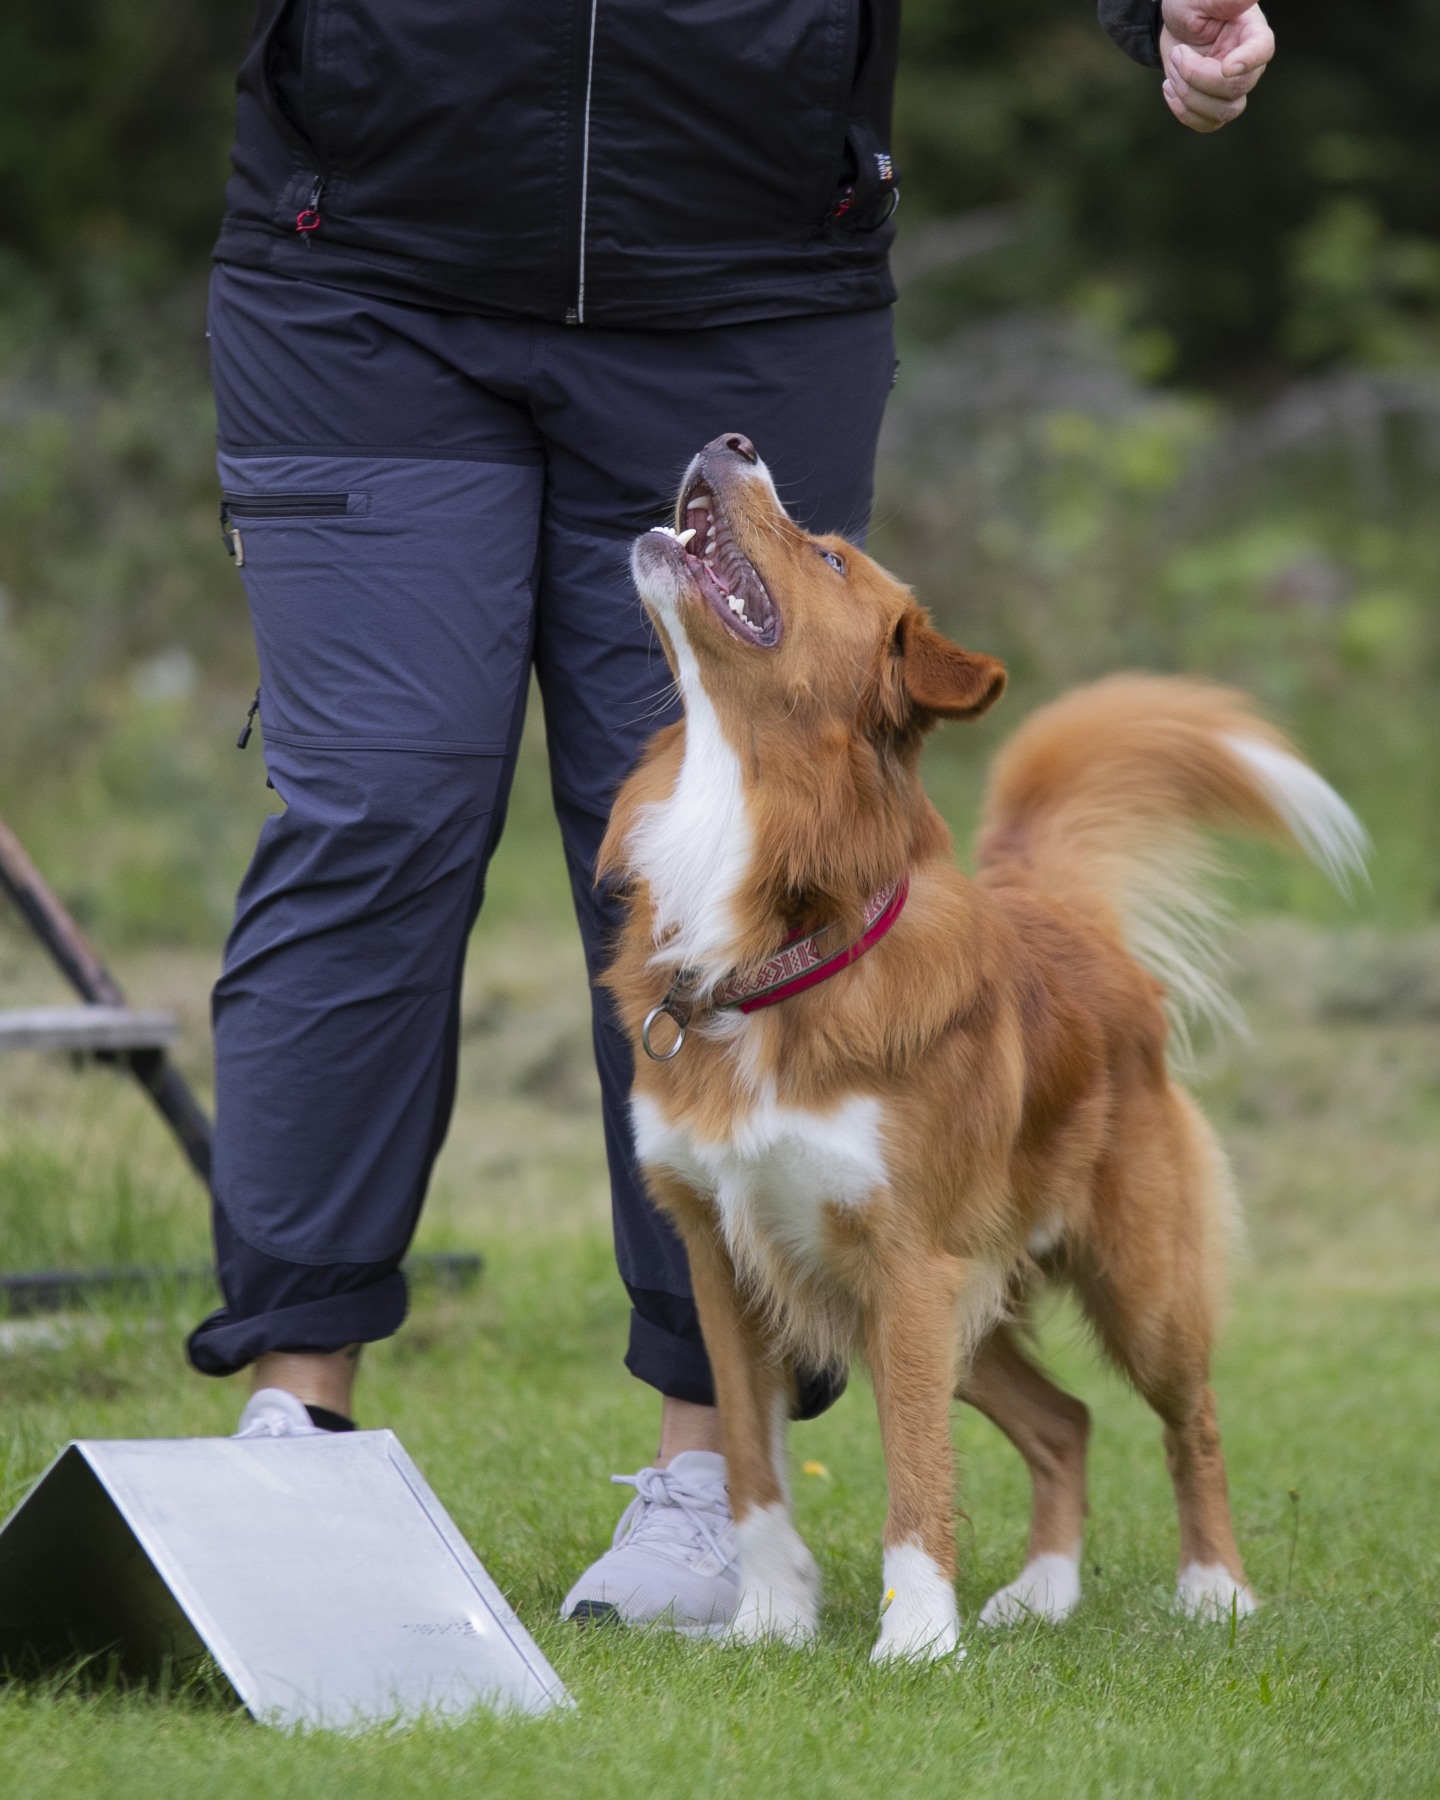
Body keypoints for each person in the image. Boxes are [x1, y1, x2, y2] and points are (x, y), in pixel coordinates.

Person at [189, 0, 1275, 1634]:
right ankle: (294, 1420)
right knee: (373, 810)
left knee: (719, 850)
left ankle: (715, 1475)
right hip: (367, 261)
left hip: (744, 272)